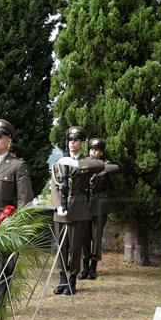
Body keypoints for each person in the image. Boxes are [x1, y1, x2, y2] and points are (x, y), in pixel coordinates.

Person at [50, 126, 105, 295]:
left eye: (75, 140)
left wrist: (77, 164)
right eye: (69, 140)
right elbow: (54, 186)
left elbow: (100, 164)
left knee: (75, 248)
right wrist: (58, 205)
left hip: (79, 208)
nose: (71, 143)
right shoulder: (59, 163)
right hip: (61, 211)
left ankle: (72, 280)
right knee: (61, 247)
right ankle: (62, 279)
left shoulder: (86, 161)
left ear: (82, 143)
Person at [80, 138, 119, 280]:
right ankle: (84, 267)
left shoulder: (106, 165)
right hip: (84, 203)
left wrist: (98, 166)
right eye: (91, 149)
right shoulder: (83, 163)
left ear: (101, 152)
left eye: (96, 150)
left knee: (96, 236)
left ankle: (93, 267)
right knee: (84, 237)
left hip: (99, 204)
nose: (93, 152)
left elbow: (115, 168)